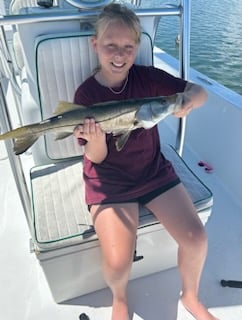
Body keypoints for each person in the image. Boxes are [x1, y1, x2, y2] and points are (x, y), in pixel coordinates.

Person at [73, 3, 218, 320]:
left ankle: (191, 296)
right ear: (95, 45)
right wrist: (96, 142)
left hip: (153, 172)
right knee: (117, 262)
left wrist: (188, 101)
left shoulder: (148, 79)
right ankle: (120, 299)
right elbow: (95, 158)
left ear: (136, 47)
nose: (120, 54)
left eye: (128, 46)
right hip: (108, 179)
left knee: (196, 239)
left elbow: (199, 92)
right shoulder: (86, 95)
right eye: (111, 45)